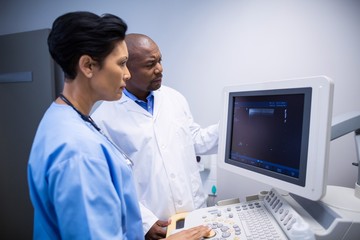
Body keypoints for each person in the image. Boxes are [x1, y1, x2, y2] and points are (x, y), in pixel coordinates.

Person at [27, 11, 211, 239]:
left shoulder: (62, 119)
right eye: (122, 63)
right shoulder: (78, 150)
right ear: (88, 66)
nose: (127, 74)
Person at [91, 33, 219, 239]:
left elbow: (194, 140)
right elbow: (109, 183)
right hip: (157, 226)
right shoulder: (104, 119)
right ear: (126, 69)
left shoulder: (174, 98)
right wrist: (144, 222)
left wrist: (233, 123)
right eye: (150, 64)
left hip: (195, 214)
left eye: (160, 60)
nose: (160, 69)